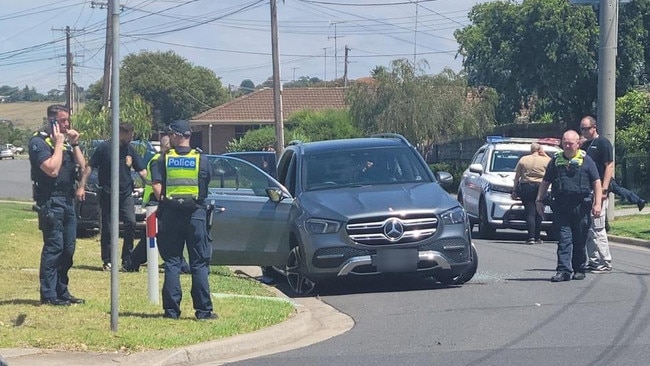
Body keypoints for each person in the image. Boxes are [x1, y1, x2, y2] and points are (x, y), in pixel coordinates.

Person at [151, 120, 217, 320]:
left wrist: (169, 201)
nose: (169, 137)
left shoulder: (163, 159)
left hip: (171, 215)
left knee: (172, 262)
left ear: (178, 135)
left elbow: (156, 188)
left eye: (171, 134)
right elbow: (205, 185)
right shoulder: (201, 159)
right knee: (198, 264)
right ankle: (203, 311)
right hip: (196, 215)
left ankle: (171, 312)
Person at [29, 104, 87, 305]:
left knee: (68, 248)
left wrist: (74, 144)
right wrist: (58, 144)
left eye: (67, 121)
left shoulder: (64, 143)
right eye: (62, 121)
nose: (66, 124)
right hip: (51, 201)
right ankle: (49, 294)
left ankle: (62, 290)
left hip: (68, 200)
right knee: (54, 247)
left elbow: (83, 166)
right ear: (51, 121)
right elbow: (52, 170)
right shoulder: (38, 142)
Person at [536, 129, 602, 282]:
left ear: (578, 144)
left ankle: (579, 269)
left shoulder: (587, 161)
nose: (567, 145)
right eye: (564, 142)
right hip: (561, 206)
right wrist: (539, 200)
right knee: (564, 240)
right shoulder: (555, 161)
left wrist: (597, 203)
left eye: (570, 143)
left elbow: (596, 182)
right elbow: (545, 182)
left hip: (581, 207)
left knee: (579, 240)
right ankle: (563, 271)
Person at [83, 123, 147, 271]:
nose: (131, 138)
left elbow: (142, 171)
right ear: (121, 133)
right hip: (107, 193)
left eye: (132, 135)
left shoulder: (130, 150)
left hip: (125, 194)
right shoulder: (104, 148)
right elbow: (90, 166)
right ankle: (108, 260)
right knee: (108, 228)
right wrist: (81, 185)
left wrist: (151, 182)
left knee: (131, 222)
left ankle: (127, 258)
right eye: (129, 135)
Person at [121, 135, 190, 273]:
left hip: (163, 201)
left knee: (156, 235)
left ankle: (133, 262)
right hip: (157, 201)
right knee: (154, 235)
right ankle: (133, 262)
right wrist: (163, 202)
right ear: (167, 147)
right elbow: (157, 184)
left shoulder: (166, 160)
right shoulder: (158, 160)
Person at [579, 116, 616, 273]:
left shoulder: (603, 143)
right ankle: (594, 261)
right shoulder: (586, 145)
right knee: (588, 228)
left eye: (586, 128)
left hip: (599, 190)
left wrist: (604, 189)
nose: (583, 131)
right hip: (586, 191)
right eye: (581, 129)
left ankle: (605, 261)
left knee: (598, 227)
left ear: (594, 127)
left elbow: (609, 166)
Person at [511, 142, 551, 245]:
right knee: (539, 211)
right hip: (541, 187)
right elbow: (553, 164)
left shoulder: (524, 159)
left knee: (530, 211)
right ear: (540, 150)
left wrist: (514, 190)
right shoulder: (545, 160)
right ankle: (538, 237)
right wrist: (545, 154)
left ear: (531, 150)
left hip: (527, 186)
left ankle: (531, 237)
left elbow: (517, 177)